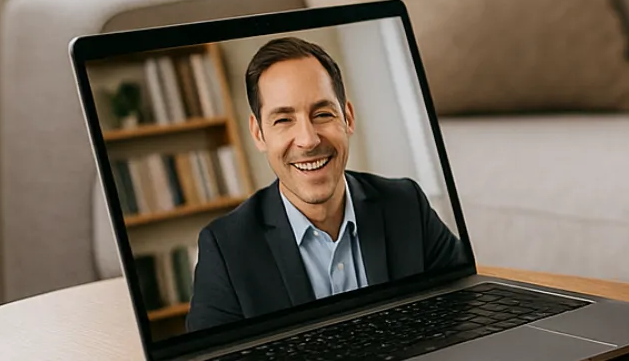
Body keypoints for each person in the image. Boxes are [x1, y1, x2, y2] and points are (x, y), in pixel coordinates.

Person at [186, 37, 464, 331]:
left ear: (348, 118)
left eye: (322, 114)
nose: (308, 140)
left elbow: (462, 302)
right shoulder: (225, 247)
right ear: (258, 134)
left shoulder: (406, 203)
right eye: (283, 120)